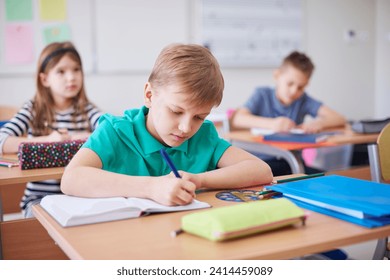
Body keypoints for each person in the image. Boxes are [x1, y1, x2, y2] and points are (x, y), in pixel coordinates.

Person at [61, 43, 273, 206]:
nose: (186, 128)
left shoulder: (203, 137)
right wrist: (152, 187)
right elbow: (71, 179)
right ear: (149, 95)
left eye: (199, 117)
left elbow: (261, 171)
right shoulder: (115, 132)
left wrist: (199, 180)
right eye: (176, 111)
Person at [0, 41, 102, 217]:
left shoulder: (87, 110)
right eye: (61, 71)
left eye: (76, 69)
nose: (71, 77)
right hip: (39, 198)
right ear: (45, 79)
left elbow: (111, 131)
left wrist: (75, 136)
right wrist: (47, 140)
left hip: (78, 196)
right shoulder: (33, 110)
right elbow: (2, 140)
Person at [231, 51, 346, 176]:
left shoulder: (303, 100)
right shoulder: (262, 94)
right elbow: (238, 119)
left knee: (328, 178)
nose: (294, 91)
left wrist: (319, 123)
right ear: (277, 75)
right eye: (290, 84)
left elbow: (339, 118)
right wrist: (272, 124)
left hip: (292, 163)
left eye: (300, 87)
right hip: (261, 163)